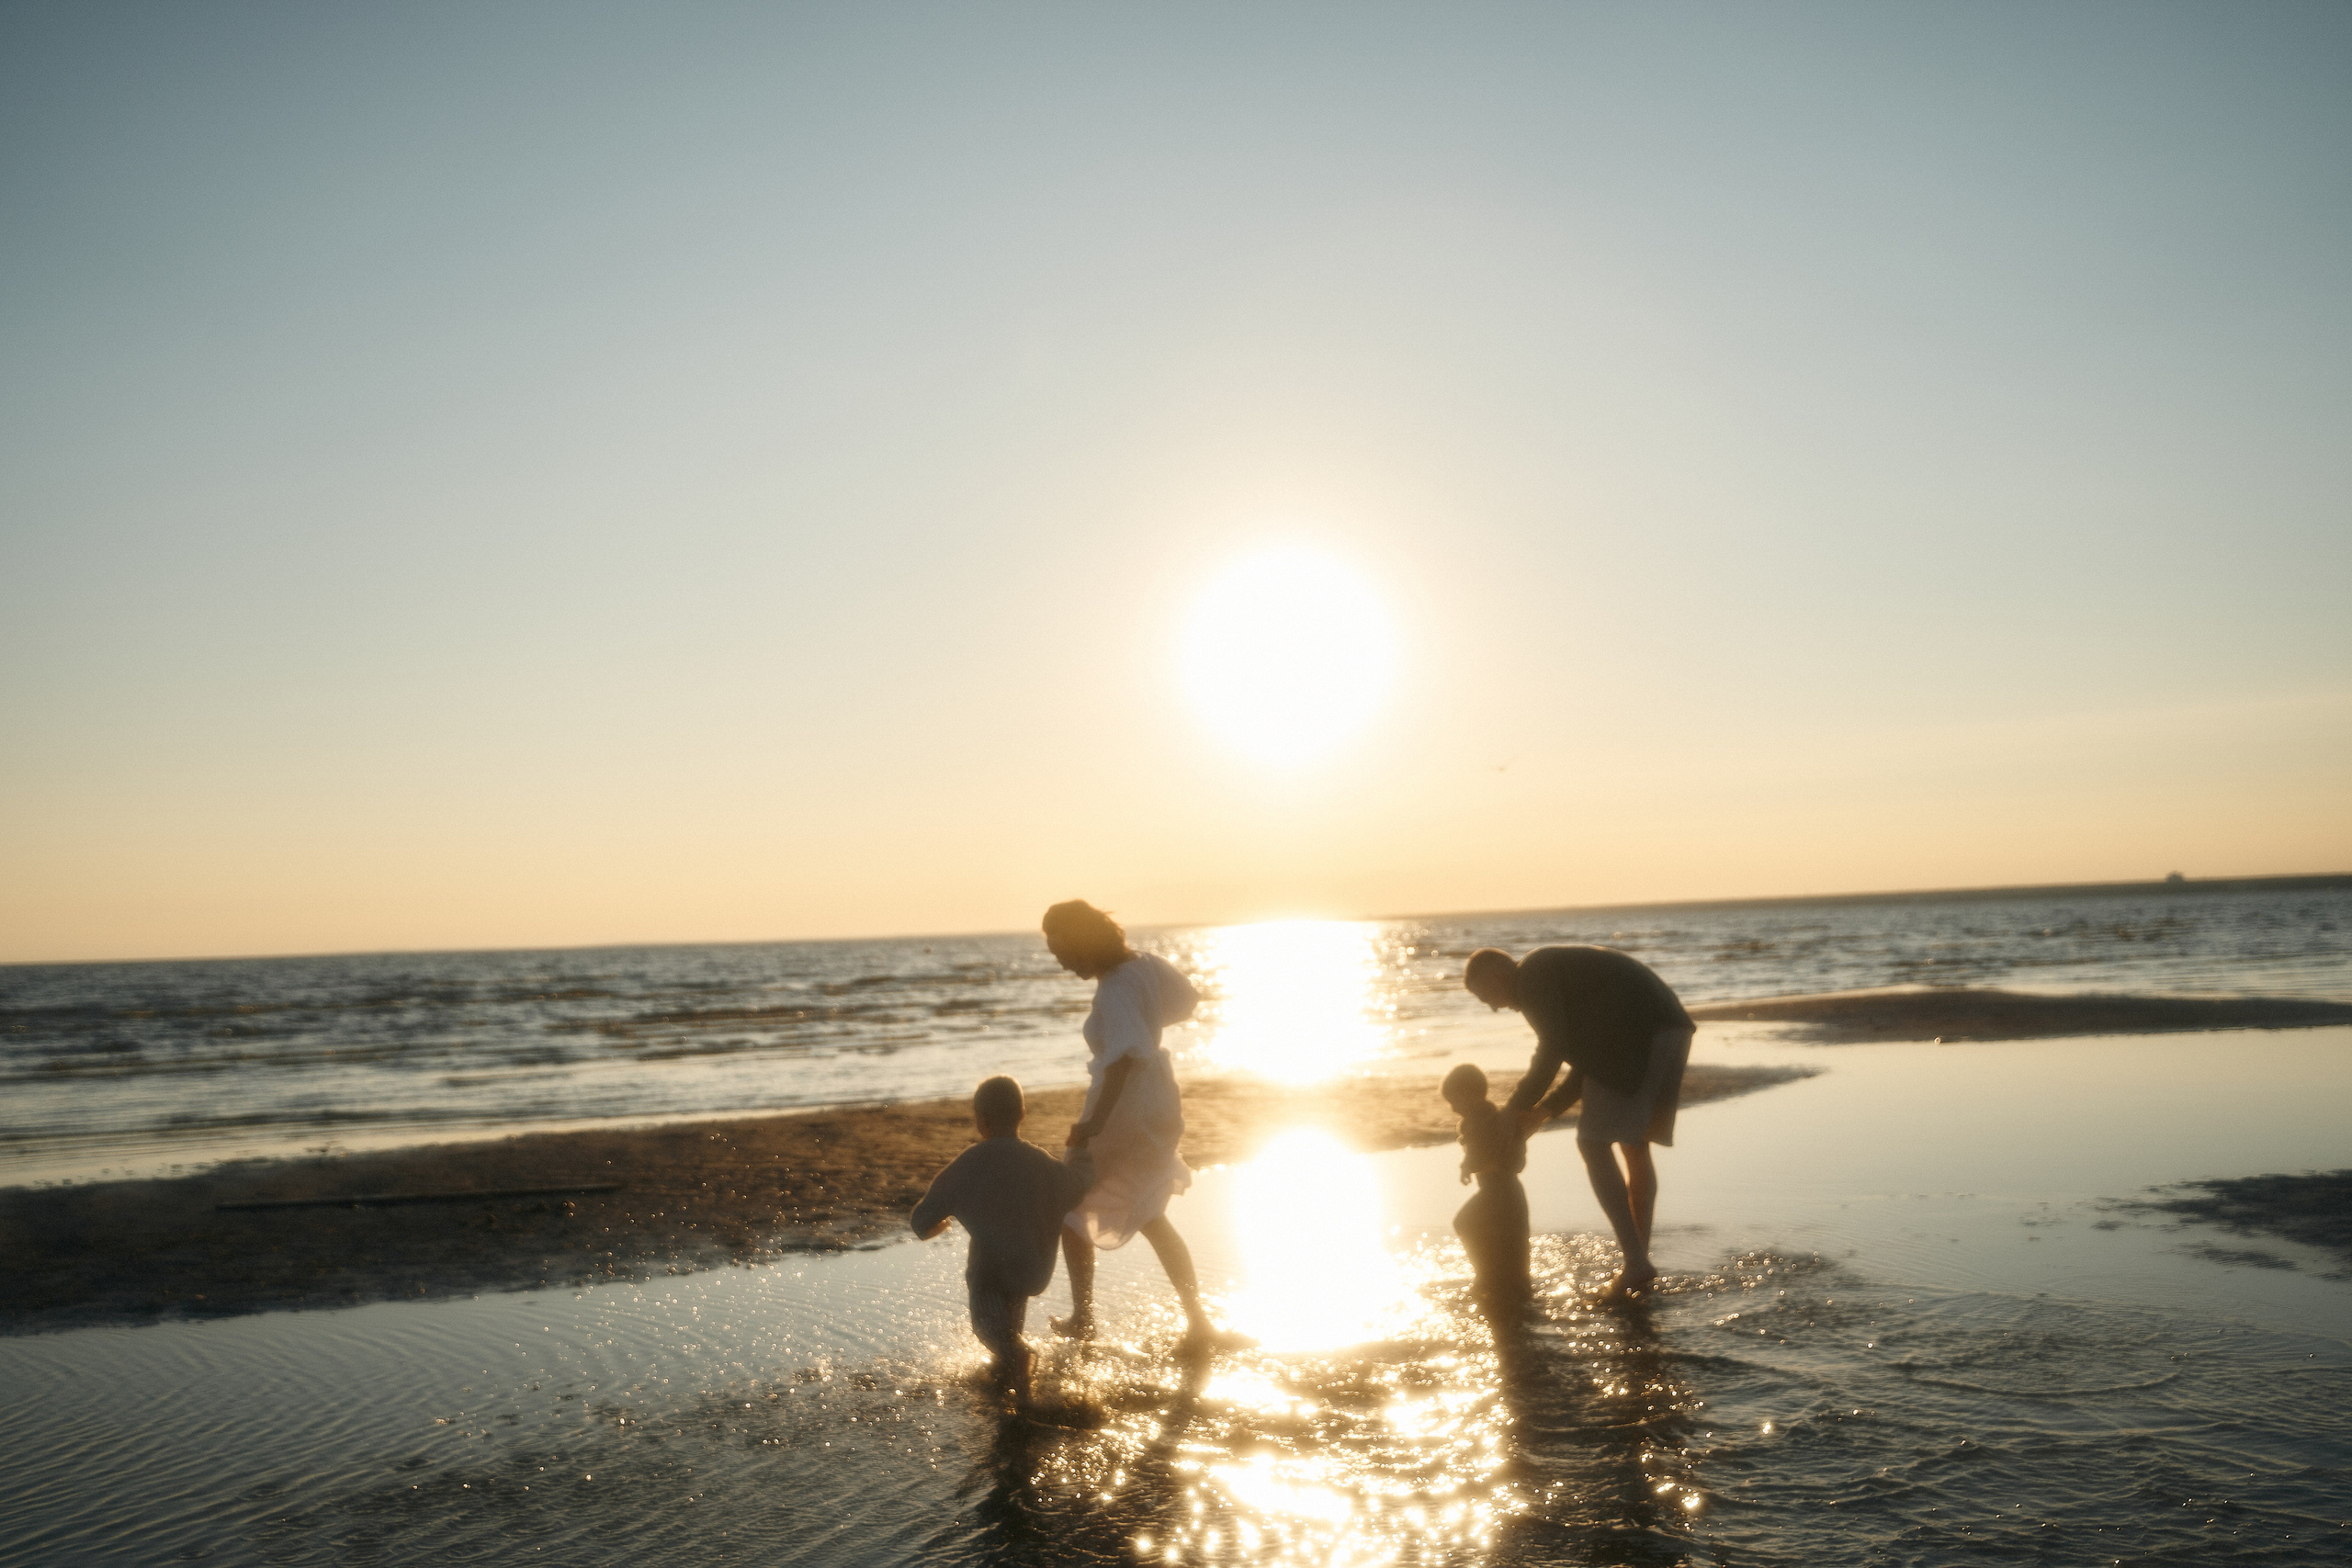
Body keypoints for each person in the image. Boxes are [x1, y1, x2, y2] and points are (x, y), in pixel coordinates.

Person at [1464, 945, 1694, 1303]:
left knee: (1592, 1143)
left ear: (1496, 975)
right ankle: (1637, 1264)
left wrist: (1513, 1109)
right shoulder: (1547, 979)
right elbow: (1585, 1065)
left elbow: (1552, 1050)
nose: (1494, 1007)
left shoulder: (1532, 979)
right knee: (1634, 1144)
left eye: (1485, 996)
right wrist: (1543, 1112)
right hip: (1666, 1027)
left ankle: (1636, 1262)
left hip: (1642, 1032)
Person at [1041, 898, 1220, 1343]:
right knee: (1149, 1212)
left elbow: (1120, 1062)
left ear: (1083, 942)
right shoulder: (1142, 965)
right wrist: (1147, 1024)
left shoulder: (1115, 987)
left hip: (1123, 1105)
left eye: (1064, 953)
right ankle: (1198, 1322)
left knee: (1071, 1203)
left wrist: (1093, 1124)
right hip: (1156, 1099)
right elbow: (1186, 1000)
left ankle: (1084, 1319)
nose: (1063, 965)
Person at [911, 1075, 1095, 1406]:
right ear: (1022, 1115)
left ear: (981, 1121)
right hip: (1031, 1271)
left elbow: (920, 1222)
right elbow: (1080, 1185)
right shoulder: (1041, 1163)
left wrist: (942, 1223)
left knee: (988, 1328)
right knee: (1009, 1326)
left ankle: (1020, 1363)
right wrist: (1079, 1148)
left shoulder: (970, 1163)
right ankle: (1015, 1384)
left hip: (992, 1274)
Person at [1442, 1062, 1532, 1313]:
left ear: (1468, 1094)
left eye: (1453, 1101)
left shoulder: (1479, 1120)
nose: (1452, 1108)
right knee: (1513, 1240)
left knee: (1465, 1223)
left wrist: (1466, 1166)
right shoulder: (1496, 1117)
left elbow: (1480, 1149)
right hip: (1510, 1191)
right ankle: (1506, 1282)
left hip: (1498, 1191)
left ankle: (1487, 1275)